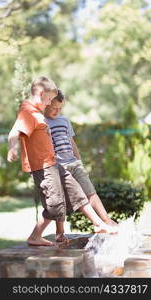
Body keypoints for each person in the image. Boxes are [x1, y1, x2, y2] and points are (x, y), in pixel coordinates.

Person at [7, 77, 118, 247]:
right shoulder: (28, 112)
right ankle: (35, 236)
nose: (50, 103)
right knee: (56, 207)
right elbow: (15, 132)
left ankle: (99, 224)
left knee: (78, 192)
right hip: (44, 166)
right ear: (42, 94)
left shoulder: (37, 112)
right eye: (49, 100)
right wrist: (12, 148)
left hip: (54, 163)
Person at [44, 89, 118, 242]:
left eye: (60, 108)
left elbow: (72, 142)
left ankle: (106, 221)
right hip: (59, 167)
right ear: (46, 104)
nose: (57, 111)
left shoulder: (64, 121)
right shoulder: (42, 123)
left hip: (73, 163)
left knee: (90, 191)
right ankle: (60, 233)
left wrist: (79, 162)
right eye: (54, 108)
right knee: (61, 200)